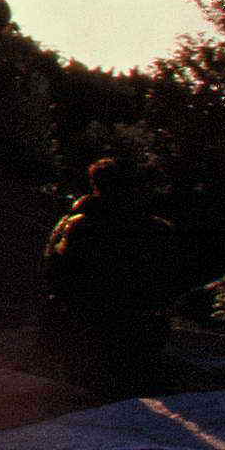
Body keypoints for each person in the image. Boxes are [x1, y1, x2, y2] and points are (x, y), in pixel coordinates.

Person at [46, 155, 191, 392]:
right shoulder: (154, 229)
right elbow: (174, 278)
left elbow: (54, 270)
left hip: (92, 325)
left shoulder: (74, 225)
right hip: (131, 326)